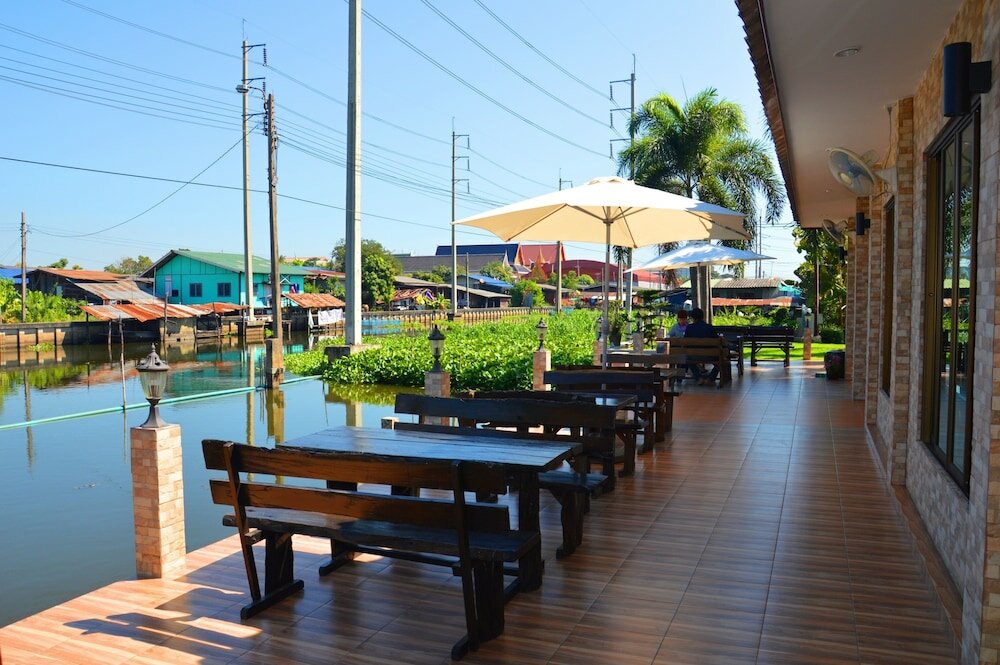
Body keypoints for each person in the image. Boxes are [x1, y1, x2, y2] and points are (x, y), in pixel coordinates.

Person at [684, 308, 720, 385]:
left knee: (687, 359)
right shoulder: (709, 327)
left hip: (693, 356)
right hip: (710, 356)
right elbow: (717, 342)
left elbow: (685, 342)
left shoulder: (689, 328)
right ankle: (710, 379)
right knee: (721, 360)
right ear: (703, 316)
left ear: (692, 317)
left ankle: (698, 378)